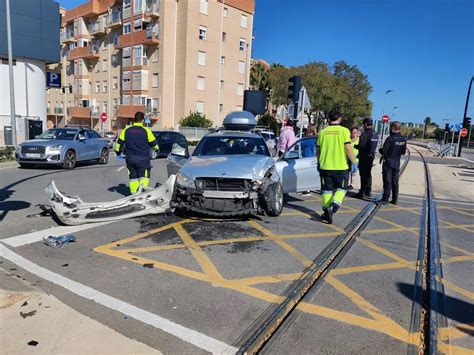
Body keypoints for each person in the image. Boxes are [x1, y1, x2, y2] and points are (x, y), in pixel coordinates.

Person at [317, 110, 357, 224]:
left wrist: (318, 162)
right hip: (341, 167)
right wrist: (353, 162)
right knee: (342, 189)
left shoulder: (322, 132)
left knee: (326, 190)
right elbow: (348, 148)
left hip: (325, 167)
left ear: (328, 119)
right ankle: (334, 206)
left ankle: (326, 211)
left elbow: (318, 150)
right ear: (340, 119)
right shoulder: (344, 131)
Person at [115, 112, 160, 194]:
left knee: (133, 177)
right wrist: (156, 150)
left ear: (134, 119)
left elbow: (117, 146)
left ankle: (133, 194)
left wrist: (118, 153)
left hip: (130, 159)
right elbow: (155, 146)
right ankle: (141, 192)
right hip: (143, 159)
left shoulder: (126, 130)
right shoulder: (146, 131)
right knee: (144, 175)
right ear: (142, 120)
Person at [379, 121, 407, 204]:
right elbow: (403, 152)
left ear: (393, 128)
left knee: (387, 180)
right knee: (395, 181)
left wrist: (380, 150)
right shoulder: (403, 139)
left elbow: (384, 150)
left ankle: (385, 199)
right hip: (397, 162)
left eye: (391, 127)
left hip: (388, 162)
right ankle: (395, 199)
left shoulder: (390, 138)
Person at [354, 118, 378, 199]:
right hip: (371, 157)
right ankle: (368, 190)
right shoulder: (375, 133)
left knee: (363, 175)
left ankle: (362, 192)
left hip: (364, 157)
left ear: (365, 124)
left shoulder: (365, 134)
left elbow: (361, 146)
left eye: (363, 124)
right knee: (368, 174)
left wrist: (355, 146)